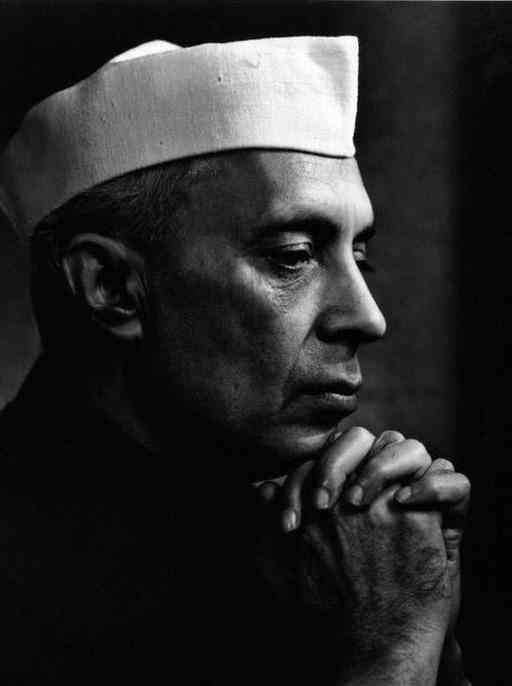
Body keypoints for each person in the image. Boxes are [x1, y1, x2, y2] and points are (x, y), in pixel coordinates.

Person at [0, 37, 470, 684]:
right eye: (293, 256)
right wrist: (394, 647)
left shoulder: (328, 550)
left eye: (359, 258)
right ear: (112, 287)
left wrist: (422, 600)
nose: (369, 318)